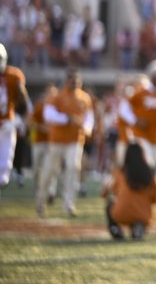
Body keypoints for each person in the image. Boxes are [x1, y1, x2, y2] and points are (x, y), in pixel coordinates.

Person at [36, 68, 94, 217]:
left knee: (73, 167)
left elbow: (89, 117)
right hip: (57, 141)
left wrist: (87, 128)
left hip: (75, 140)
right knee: (49, 171)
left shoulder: (85, 98)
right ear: (66, 81)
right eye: (72, 80)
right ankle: (41, 201)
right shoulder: (57, 96)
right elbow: (48, 115)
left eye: (77, 80)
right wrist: (67, 119)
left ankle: (69, 203)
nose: (75, 83)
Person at [102, 142, 156, 240]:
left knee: (110, 203)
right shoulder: (150, 175)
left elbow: (109, 192)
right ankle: (138, 227)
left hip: (121, 213)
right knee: (143, 210)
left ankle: (115, 229)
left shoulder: (120, 172)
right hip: (144, 215)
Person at [0, 43, 31, 190]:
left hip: (7, 121)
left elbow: (23, 101)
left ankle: (5, 178)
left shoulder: (13, 76)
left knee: (6, 160)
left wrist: (18, 120)